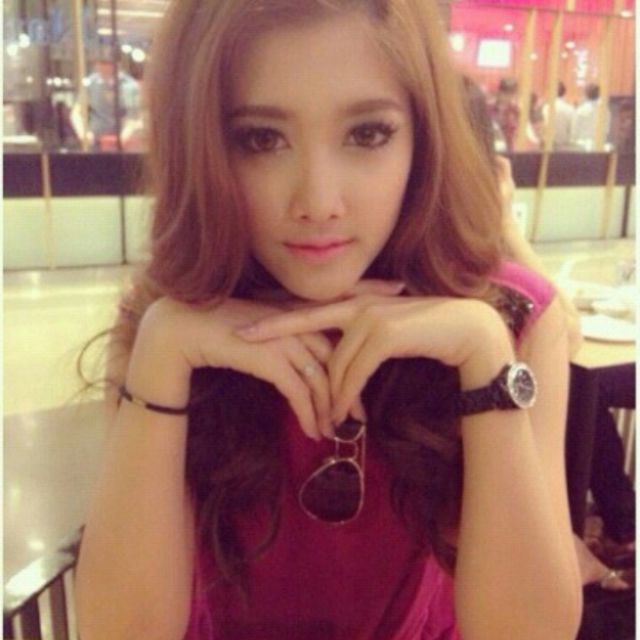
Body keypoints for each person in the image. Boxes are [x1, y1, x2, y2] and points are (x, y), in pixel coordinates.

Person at [74, 2, 582, 639]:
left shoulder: (513, 320)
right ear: (200, 146)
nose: (318, 202)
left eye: (367, 134)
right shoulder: (166, 326)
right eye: (261, 139)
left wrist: (484, 357)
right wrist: (161, 358)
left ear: (425, 137)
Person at [70, 58, 142, 150]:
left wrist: (122, 138)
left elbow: (134, 117)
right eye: (100, 63)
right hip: (95, 143)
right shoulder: (90, 83)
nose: (101, 67)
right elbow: (76, 112)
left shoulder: (130, 86)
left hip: (123, 143)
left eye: (106, 63)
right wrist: (83, 133)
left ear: (117, 64)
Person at [571, 83, 609, 151]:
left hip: (582, 147)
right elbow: (606, 130)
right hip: (600, 146)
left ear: (586, 94)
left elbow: (574, 131)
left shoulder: (580, 110)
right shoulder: (605, 111)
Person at [489, 77, 520, 152]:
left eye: (511, 93)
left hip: (508, 149)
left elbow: (516, 132)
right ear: (499, 92)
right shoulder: (488, 109)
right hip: (491, 148)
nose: (508, 97)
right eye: (505, 93)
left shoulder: (515, 110)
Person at [542, 81, 575, 150]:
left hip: (549, 146)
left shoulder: (546, 108)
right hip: (565, 147)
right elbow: (572, 130)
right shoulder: (570, 109)